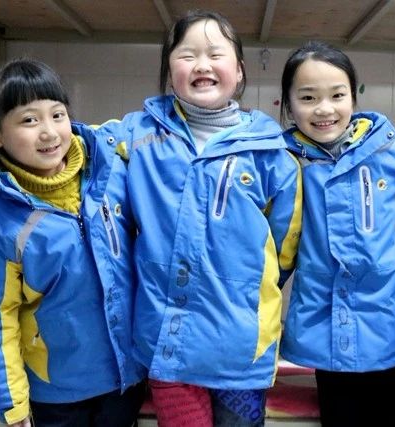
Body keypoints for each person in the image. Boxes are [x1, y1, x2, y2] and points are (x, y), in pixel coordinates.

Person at [100, 10, 302, 427]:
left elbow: (284, 247)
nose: (202, 65)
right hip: (167, 343)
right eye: (187, 55)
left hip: (241, 350)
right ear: (169, 70)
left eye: (215, 54)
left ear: (239, 71)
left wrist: (242, 288)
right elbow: (65, 146)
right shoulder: (136, 135)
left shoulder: (271, 153)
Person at [0, 58, 145, 427]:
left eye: (57, 115)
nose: (49, 132)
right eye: (29, 120)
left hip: (126, 380)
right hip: (55, 395)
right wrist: (10, 405)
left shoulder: (110, 170)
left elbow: (155, 132)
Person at [278, 41, 395, 427]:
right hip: (325, 324)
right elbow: (276, 249)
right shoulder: (285, 162)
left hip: (388, 322)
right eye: (308, 97)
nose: (325, 109)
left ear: (353, 97)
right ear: (288, 104)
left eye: (337, 95)